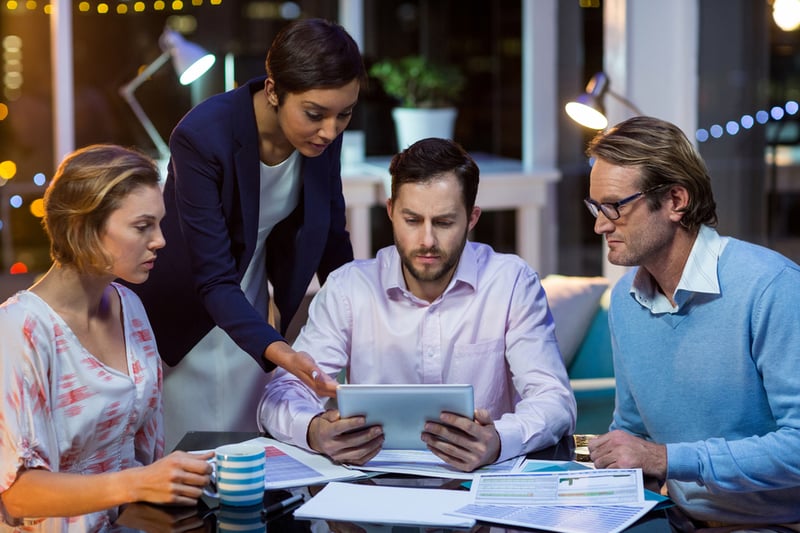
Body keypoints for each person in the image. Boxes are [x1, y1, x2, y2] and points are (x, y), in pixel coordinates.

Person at [259, 138, 576, 471]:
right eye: (412, 220)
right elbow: (280, 395)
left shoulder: (512, 282)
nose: (426, 241)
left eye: (443, 222)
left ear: (471, 218)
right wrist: (315, 431)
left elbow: (555, 401)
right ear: (392, 211)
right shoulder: (348, 288)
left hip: (480, 492)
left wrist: (498, 439)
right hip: (371, 493)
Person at [128, 18, 366, 449]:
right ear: (274, 91)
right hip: (188, 314)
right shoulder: (202, 136)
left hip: (250, 307)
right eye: (315, 114)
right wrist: (284, 351)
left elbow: (332, 236)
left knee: (251, 457)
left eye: (344, 114)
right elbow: (214, 277)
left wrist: (365, 321)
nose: (331, 131)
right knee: (193, 463)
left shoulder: (321, 137)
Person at [583, 116, 800, 525]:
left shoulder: (771, 288)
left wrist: (667, 458)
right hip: (673, 515)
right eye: (596, 207)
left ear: (675, 201)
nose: (599, 224)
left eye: (614, 206)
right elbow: (632, 434)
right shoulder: (626, 302)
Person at [0, 145, 212, 531]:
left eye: (160, 224)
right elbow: (18, 493)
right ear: (84, 228)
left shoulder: (128, 305)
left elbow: (145, 453)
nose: (161, 240)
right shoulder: (20, 329)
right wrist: (137, 483)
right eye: (142, 226)